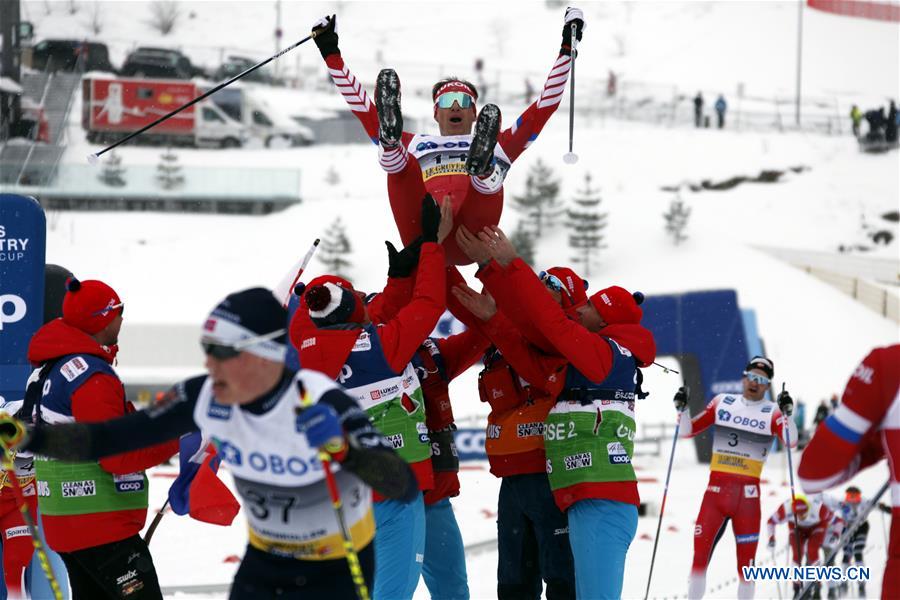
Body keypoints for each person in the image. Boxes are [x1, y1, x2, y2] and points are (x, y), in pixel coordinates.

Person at [0, 287, 418, 599]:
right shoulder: (125, 380)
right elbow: (118, 447)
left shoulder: (315, 396)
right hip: (238, 558)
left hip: (324, 555)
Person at [458, 224, 656, 599]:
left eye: (592, 307)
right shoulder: (580, 362)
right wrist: (492, 310)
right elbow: (528, 356)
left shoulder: (605, 356)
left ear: (607, 322)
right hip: (578, 496)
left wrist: (508, 264)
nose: (581, 308)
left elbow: (550, 322)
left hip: (602, 501)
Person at [311, 8, 585, 265]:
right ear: (435, 113)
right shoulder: (416, 143)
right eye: (448, 101)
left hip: (472, 237)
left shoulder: (498, 141)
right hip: (423, 230)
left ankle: (483, 168)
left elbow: (543, 107)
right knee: (396, 160)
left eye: (464, 101)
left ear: (475, 114)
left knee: (491, 171)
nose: (456, 106)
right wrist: (330, 51)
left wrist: (567, 47)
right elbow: (364, 110)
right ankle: (392, 144)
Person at [289, 197, 451, 600]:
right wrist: (430, 245)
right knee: (393, 592)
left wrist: (397, 280)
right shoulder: (381, 348)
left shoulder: (303, 346)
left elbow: (361, 316)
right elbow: (429, 304)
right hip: (394, 490)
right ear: (355, 307)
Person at [21, 277, 178, 600]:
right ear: (101, 319)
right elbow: (115, 455)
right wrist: (176, 438)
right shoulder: (90, 376)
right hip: (100, 526)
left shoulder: (49, 368)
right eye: (118, 311)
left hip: (65, 522)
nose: (122, 318)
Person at [453, 265, 587, 599]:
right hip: (511, 475)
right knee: (513, 582)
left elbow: (538, 363)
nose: (541, 285)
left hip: (551, 472)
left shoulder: (568, 335)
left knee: (562, 577)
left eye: (552, 283)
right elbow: (465, 306)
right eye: (540, 279)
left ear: (567, 297)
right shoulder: (510, 329)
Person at [674, 356, 797, 600]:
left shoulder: (772, 411)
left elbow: (791, 441)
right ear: (744, 377)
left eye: (762, 380)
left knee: (746, 569)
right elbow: (687, 431)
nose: (755, 383)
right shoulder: (723, 402)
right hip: (715, 496)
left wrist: (788, 415)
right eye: (752, 377)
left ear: (767, 385)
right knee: (699, 559)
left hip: (748, 500)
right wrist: (683, 409)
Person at [798, 344, 900, 600]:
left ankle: (844, 587)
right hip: (838, 531)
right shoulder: (842, 503)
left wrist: (878, 439)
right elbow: (823, 497)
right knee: (842, 556)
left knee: (852, 555)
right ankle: (834, 588)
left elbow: (814, 474)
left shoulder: (888, 365)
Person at [767, 494, 840, 599]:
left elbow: (838, 521)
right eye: (798, 515)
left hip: (817, 527)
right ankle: (797, 590)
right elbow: (771, 522)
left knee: (812, 550)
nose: (802, 517)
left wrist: (836, 535)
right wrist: (771, 538)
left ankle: (817, 588)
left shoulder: (818, 508)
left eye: (804, 513)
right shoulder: (786, 508)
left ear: (808, 508)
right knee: (797, 554)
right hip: (797, 527)